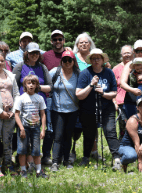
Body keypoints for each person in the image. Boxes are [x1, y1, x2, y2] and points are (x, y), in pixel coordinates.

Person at [76, 48, 121, 170]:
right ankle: (86, 157)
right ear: (90, 60)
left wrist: (103, 93)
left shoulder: (109, 73)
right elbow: (79, 95)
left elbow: (114, 93)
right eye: (94, 58)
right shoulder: (85, 73)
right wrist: (91, 85)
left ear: (103, 60)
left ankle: (117, 159)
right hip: (88, 109)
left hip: (107, 108)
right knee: (89, 134)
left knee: (110, 131)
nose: (96, 60)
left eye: (98, 58)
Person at [72, 32, 103, 161]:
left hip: (92, 97)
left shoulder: (95, 58)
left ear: (90, 44)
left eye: (86, 42)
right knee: (75, 127)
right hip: (76, 95)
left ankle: (94, 151)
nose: (84, 44)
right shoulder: (72, 58)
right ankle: (72, 150)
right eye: (81, 43)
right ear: (77, 45)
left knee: (92, 125)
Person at [48, 50, 81, 171]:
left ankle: (66, 160)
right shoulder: (55, 72)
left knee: (68, 136)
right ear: (61, 61)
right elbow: (46, 83)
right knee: (57, 136)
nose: (67, 62)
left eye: (69, 60)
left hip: (73, 110)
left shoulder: (78, 74)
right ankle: (55, 162)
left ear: (73, 61)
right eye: (65, 60)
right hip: (57, 110)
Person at [41, 30, 68, 165]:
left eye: (60, 39)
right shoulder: (45, 56)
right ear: (51, 41)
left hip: (66, 97)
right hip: (49, 96)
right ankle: (46, 155)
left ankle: (62, 154)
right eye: (55, 39)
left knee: (62, 128)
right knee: (50, 128)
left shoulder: (68, 54)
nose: (58, 42)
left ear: (64, 40)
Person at [13, 75, 48, 179]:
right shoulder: (21, 98)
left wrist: (43, 130)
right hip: (24, 128)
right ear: (25, 85)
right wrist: (21, 128)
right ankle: (23, 170)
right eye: (29, 83)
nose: (31, 85)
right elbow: (16, 115)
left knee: (36, 150)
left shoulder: (40, 98)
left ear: (37, 85)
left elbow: (43, 114)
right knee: (22, 149)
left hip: (36, 128)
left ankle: (38, 171)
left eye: (33, 83)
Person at [112, 45, 133, 140]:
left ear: (133, 53)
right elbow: (112, 87)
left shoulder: (137, 66)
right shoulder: (116, 69)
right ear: (121, 54)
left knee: (135, 126)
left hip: (135, 102)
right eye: (125, 53)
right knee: (123, 128)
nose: (127, 55)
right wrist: (114, 101)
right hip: (121, 103)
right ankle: (123, 147)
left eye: (129, 52)